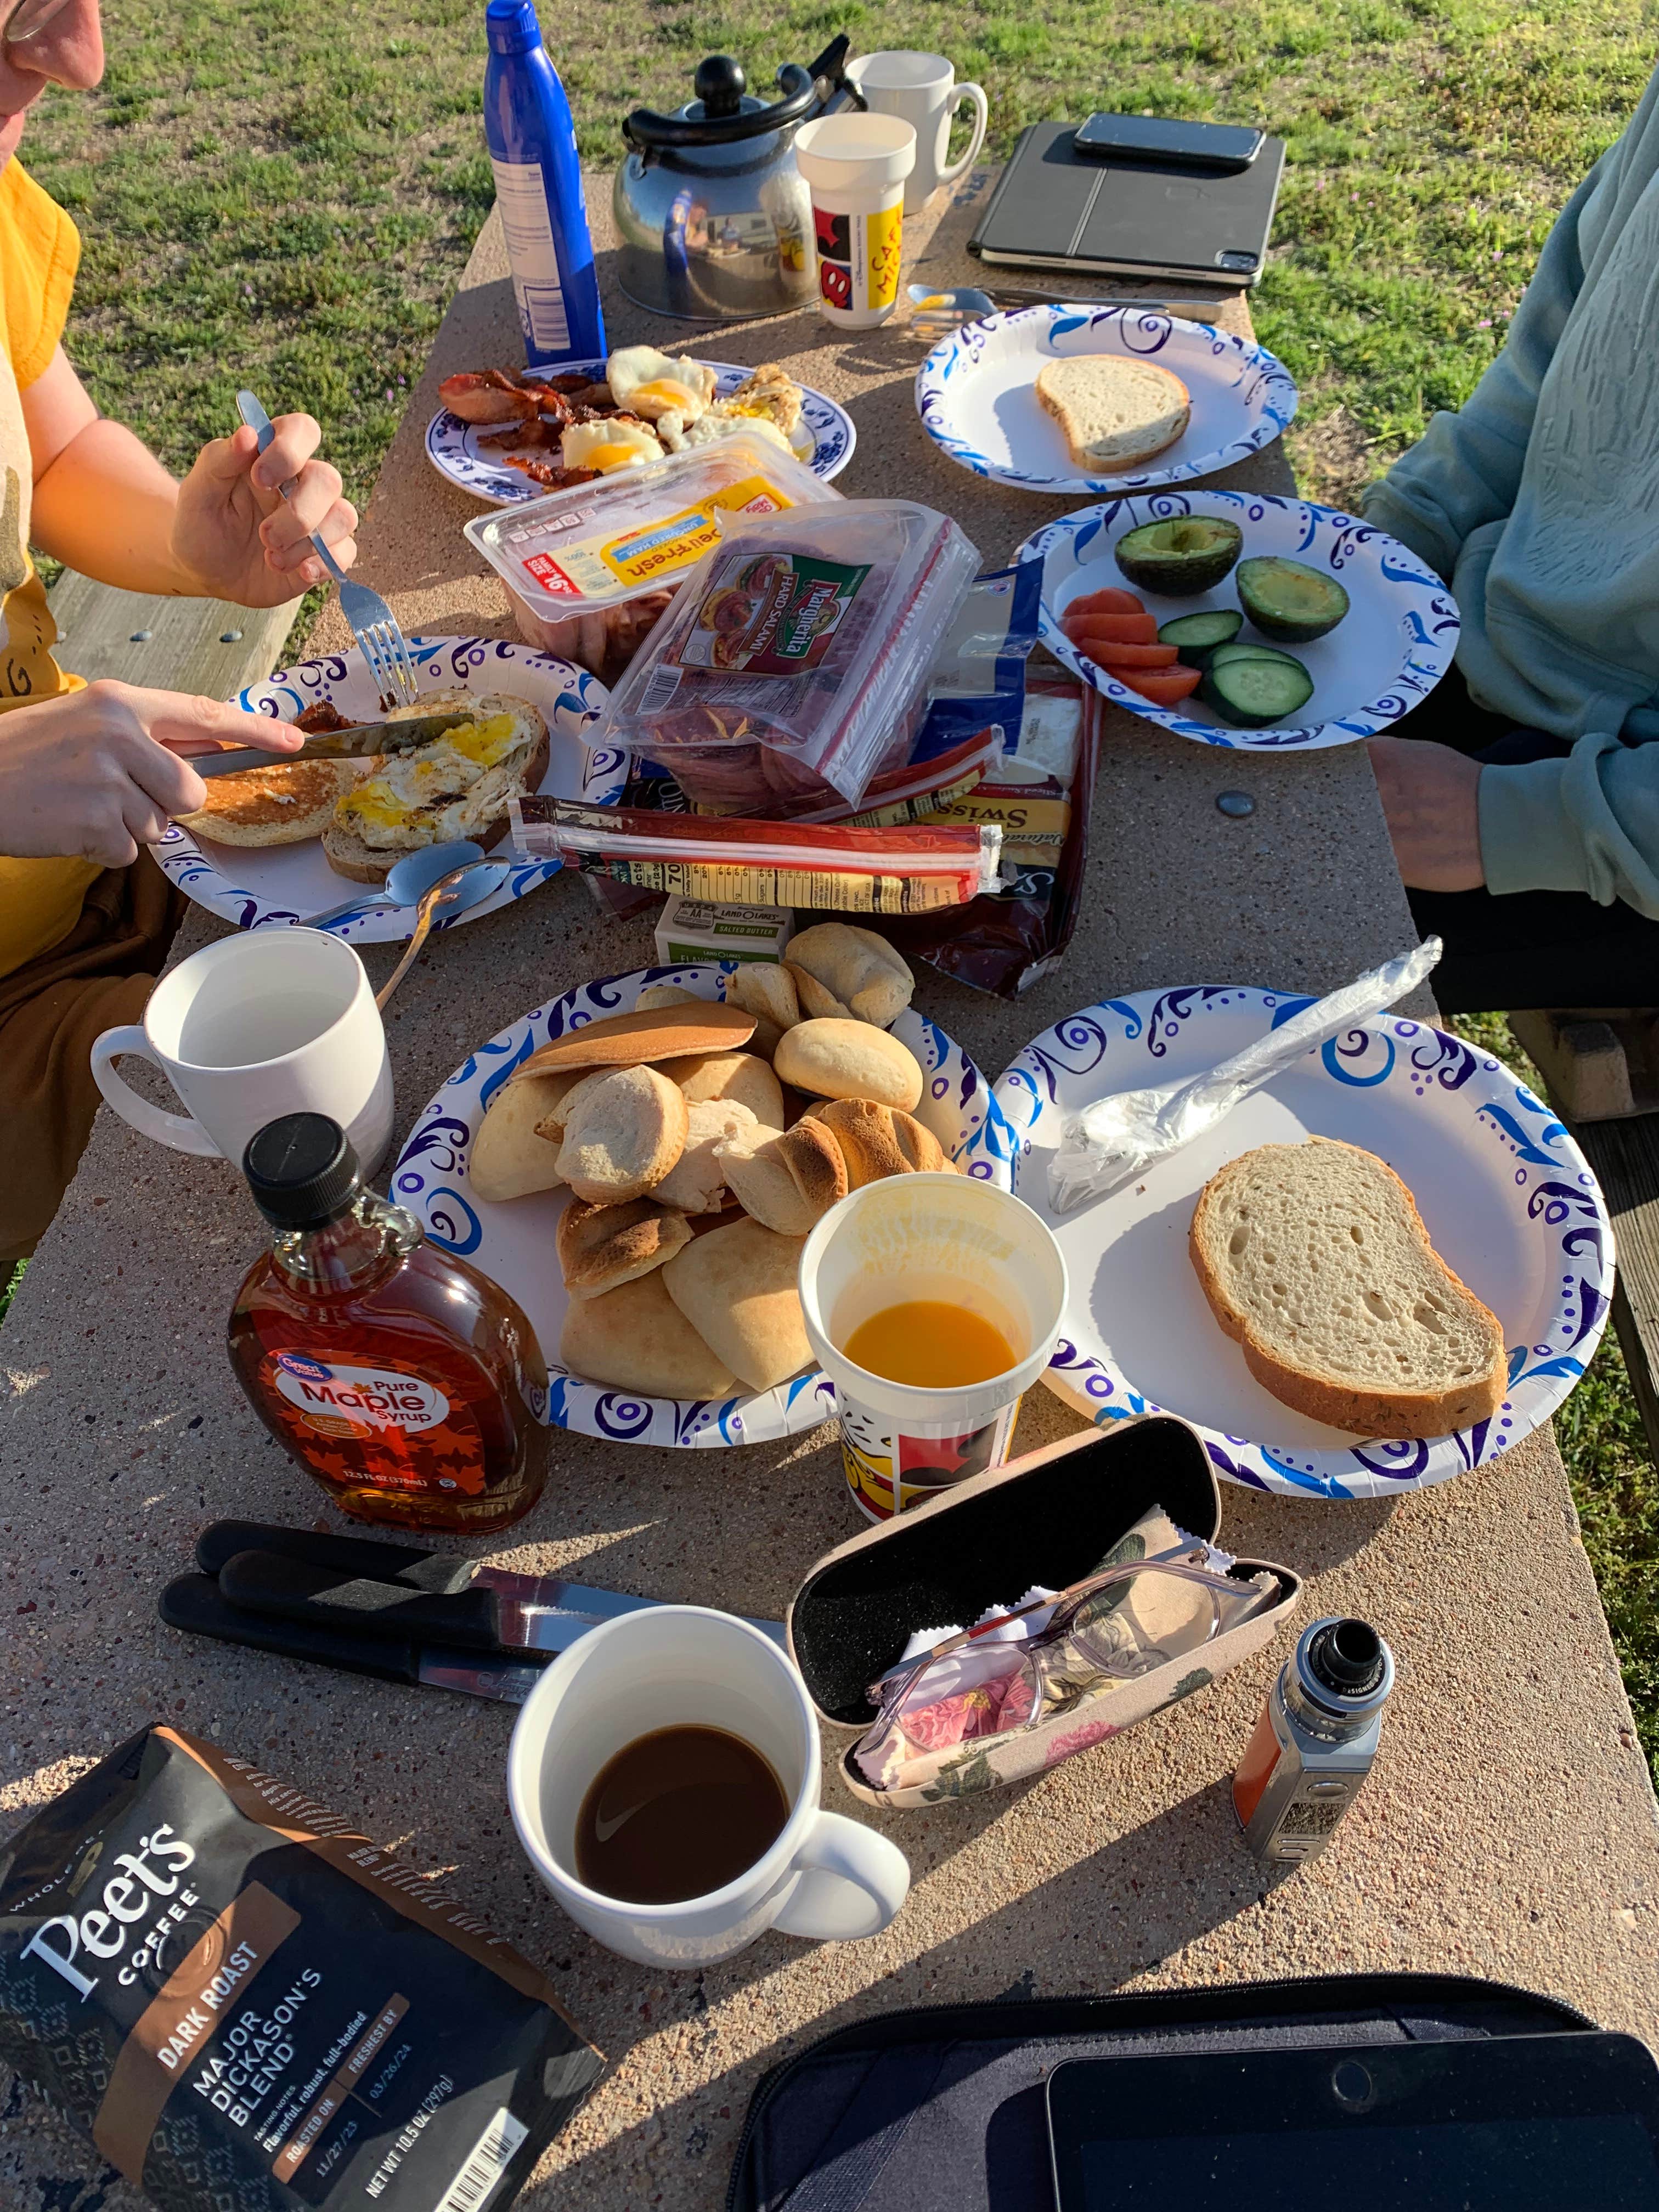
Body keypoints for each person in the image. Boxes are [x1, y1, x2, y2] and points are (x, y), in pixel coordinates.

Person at [0, 0, 358, 1268]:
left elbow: (52, 448)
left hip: (96, 843)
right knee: (346, 1118)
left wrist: (185, 545)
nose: (76, 62)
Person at [1362, 57, 1659, 1013]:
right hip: (1503, 648)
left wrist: (1504, 823)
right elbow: (1540, 378)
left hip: (1620, 815)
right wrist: (1373, 561)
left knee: (1242, 913)